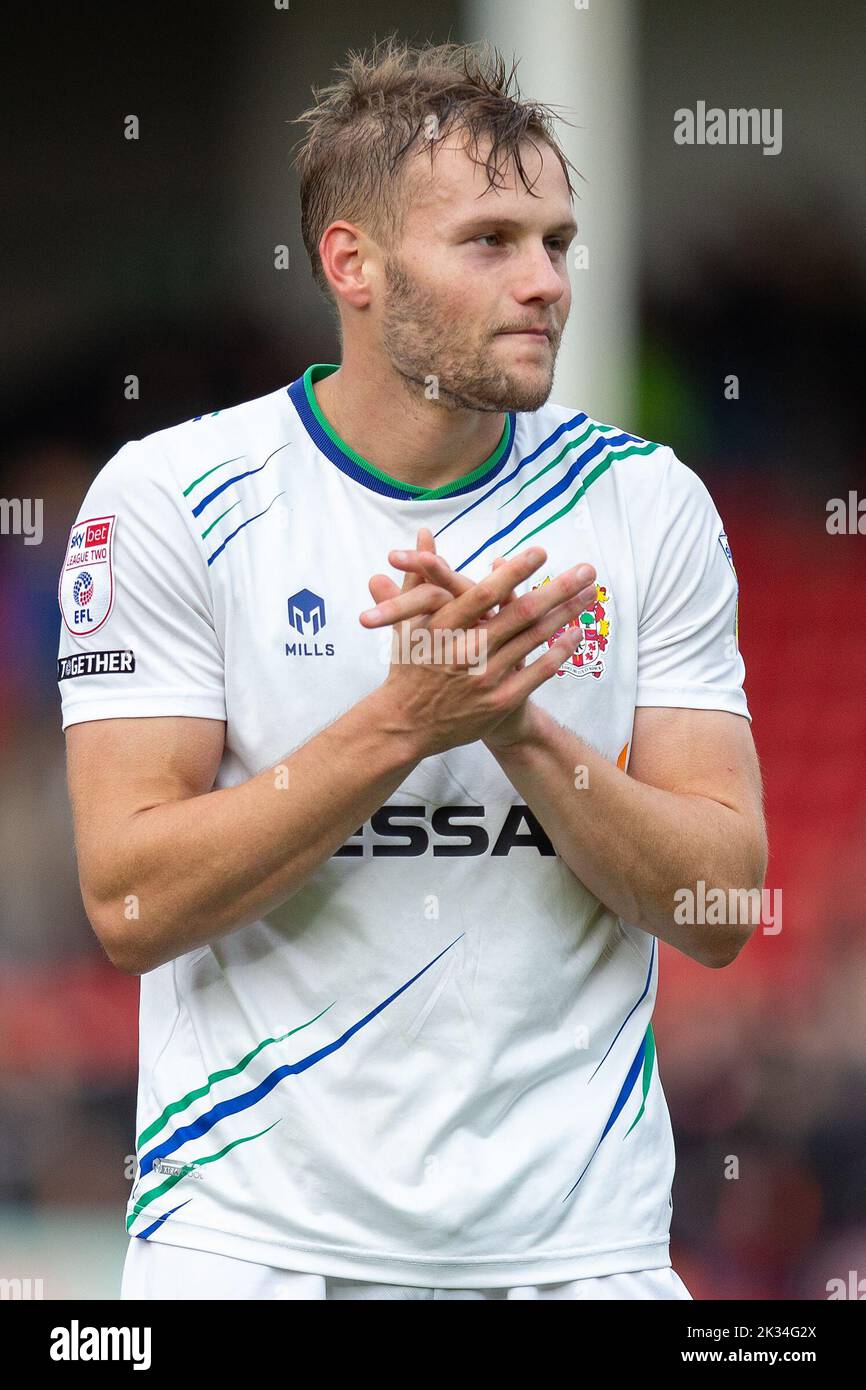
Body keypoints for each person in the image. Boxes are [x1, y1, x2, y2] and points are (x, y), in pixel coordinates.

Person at [57, 37, 766, 1301]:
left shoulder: (647, 504)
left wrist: (518, 730)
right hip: (251, 1248)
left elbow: (719, 910)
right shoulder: (173, 496)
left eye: (555, 241)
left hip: (576, 1253)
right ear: (353, 263)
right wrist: (403, 721)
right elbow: (127, 903)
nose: (545, 281)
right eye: (491, 240)